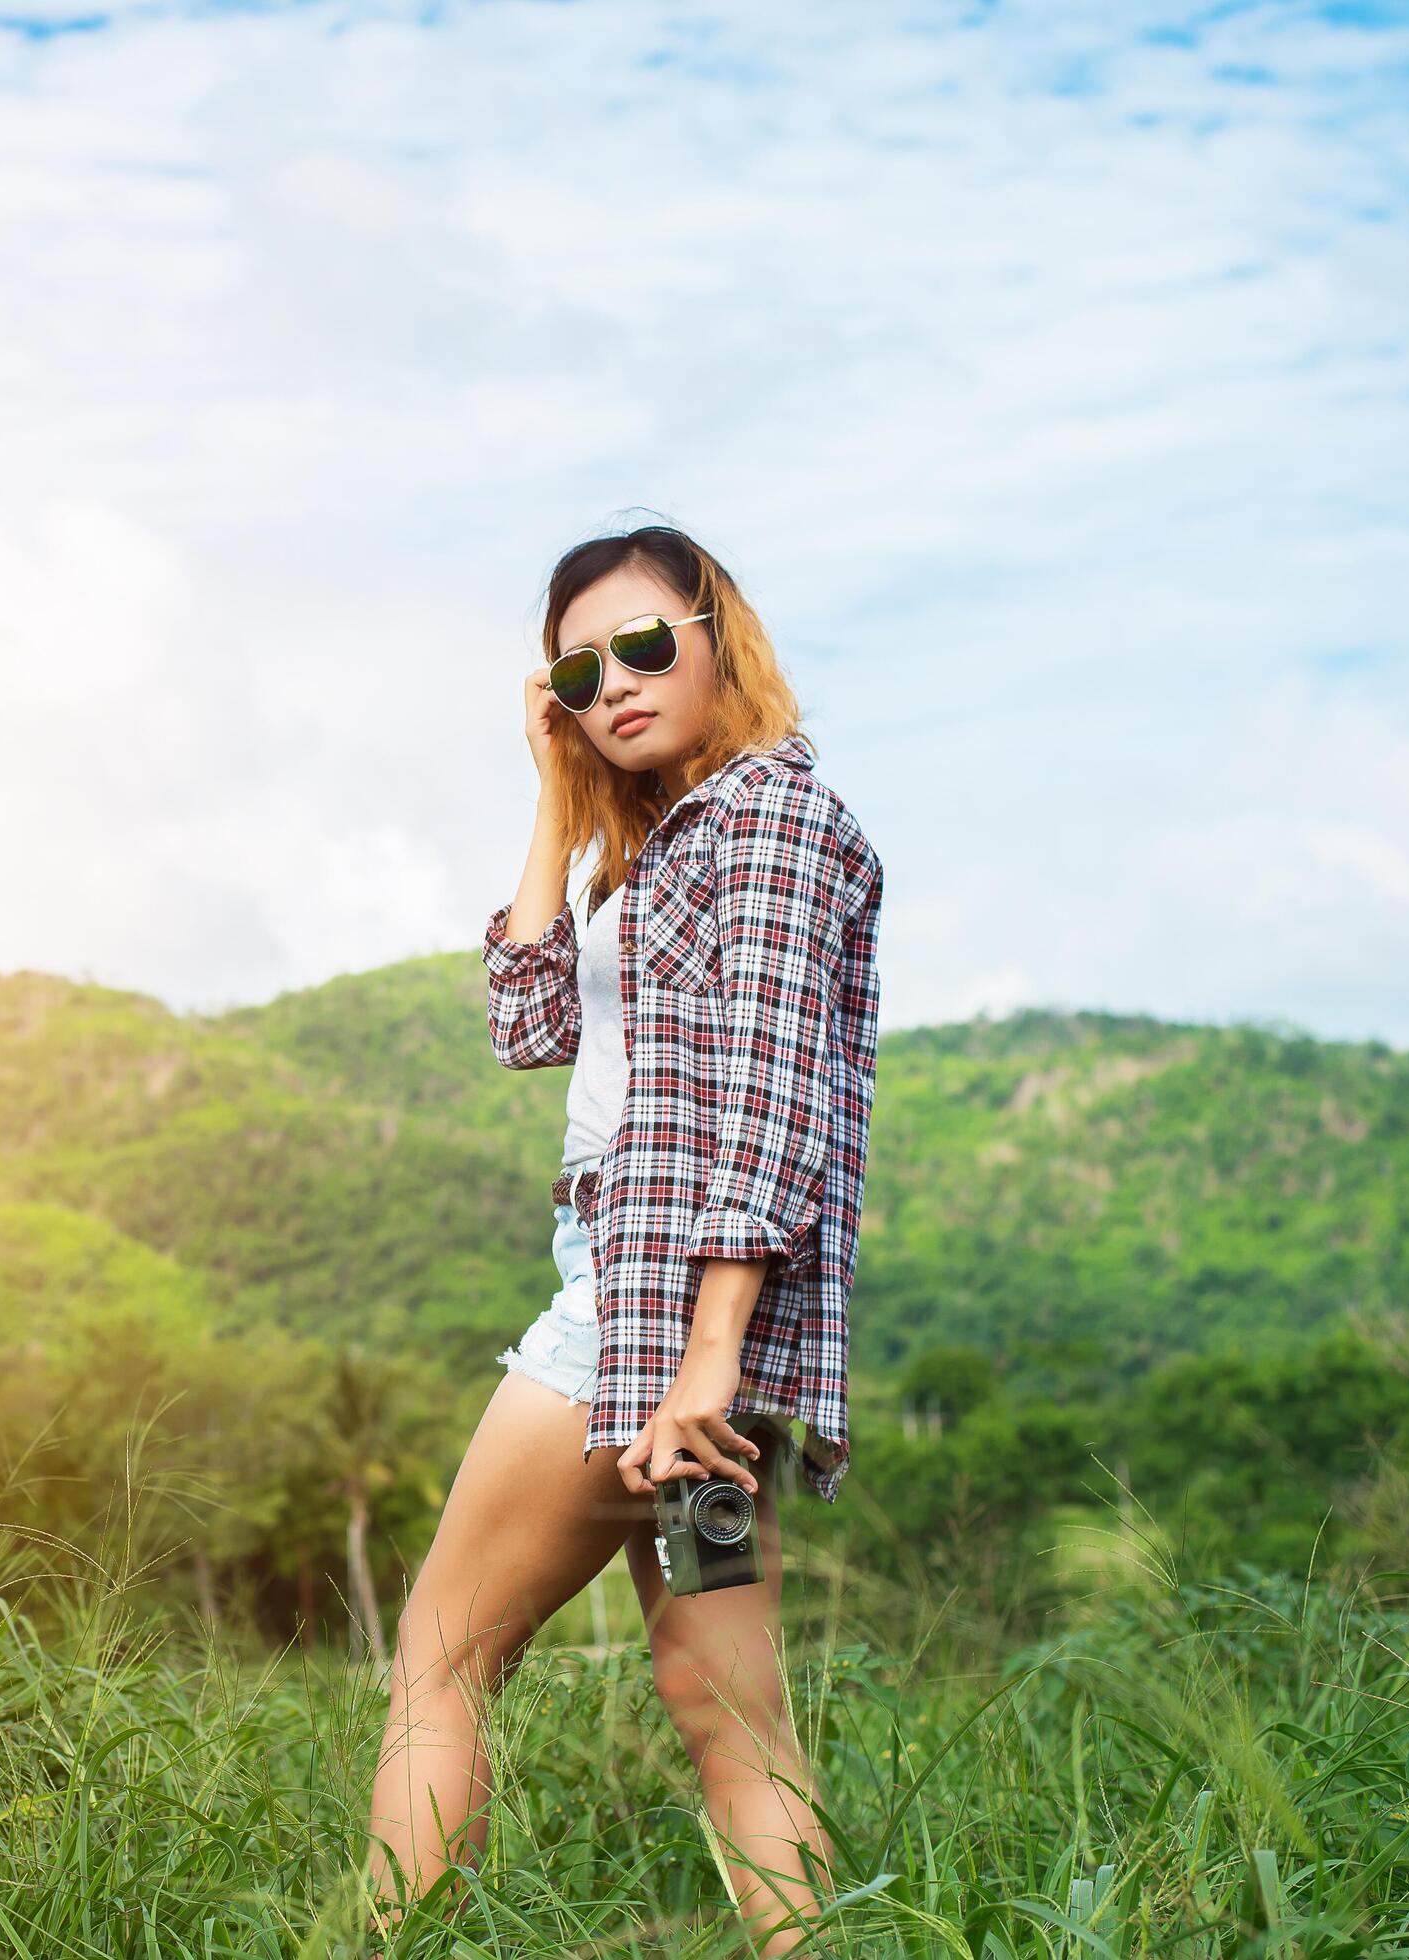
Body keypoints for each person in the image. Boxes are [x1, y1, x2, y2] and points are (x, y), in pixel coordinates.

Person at [365, 525, 883, 1956]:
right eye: (580, 669)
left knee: (440, 1660)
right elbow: (523, 1023)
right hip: (681, 1329)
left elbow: (774, 1100)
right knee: (732, 1714)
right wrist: (554, 796)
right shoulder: (662, 850)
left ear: (722, 635)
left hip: (643, 1318)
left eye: (647, 642)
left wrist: (698, 1360)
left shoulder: (774, 821)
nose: (615, 683)